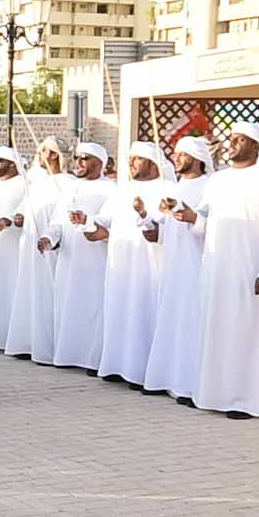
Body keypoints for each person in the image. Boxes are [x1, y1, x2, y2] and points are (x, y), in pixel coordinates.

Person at [192, 124, 259, 418]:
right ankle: (213, 394)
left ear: (256, 146)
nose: (231, 144)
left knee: (246, 333)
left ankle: (247, 400)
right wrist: (185, 213)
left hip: (249, 270)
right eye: (231, 139)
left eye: (239, 140)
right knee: (217, 328)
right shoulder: (217, 180)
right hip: (217, 269)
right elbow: (202, 221)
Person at [93, 143, 172, 388]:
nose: (131, 163)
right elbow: (102, 223)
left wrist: (145, 216)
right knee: (119, 312)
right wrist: (84, 223)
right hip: (121, 265)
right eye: (130, 159)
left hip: (150, 266)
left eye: (137, 159)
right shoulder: (122, 190)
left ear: (152, 162)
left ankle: (142, 371)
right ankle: (116, 366)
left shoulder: (168, 189)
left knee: (144, 313)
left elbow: (163, 229)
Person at [140, 137, 214, 400]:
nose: (177, 158)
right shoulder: (176, 186)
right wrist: (149, 222)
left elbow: (208, 223)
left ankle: (189, 384)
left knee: (190, 322)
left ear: (198, 159)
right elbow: (164, 228)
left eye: (183, 155)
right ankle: (166, 378)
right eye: (177, 154)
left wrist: (190, 215)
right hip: (172, 266)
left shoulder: (210, 186)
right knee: (170, 319)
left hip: (196, 266)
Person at [39, 142, 114, 372]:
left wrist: (87, 221)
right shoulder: (70, 188)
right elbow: (57, 222)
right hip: (69, 261)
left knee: (94, 309)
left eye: (85, 158)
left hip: (96, 261)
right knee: (68, 305)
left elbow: (107, 224)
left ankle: (93, 360)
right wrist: (49, 239)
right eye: (78, 157)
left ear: (100, 163)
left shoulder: (111, 189)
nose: (79, 162)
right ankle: (67, 355)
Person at [5, 138, 68, 364]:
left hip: (52, 249)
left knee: (48, 293)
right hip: (29, 246)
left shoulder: (67, 183)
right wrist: (18, 217)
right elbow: (22, 210)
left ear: (53, 155)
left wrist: (50, 237)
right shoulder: (36, 184)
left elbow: (62, 217)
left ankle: (49, 347)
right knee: (29, 290)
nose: (39, 155)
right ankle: (28, 342)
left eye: (43, 151)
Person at [0, 148, 27, 350]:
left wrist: (8, 220)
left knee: (13, 290)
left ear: (12, 163)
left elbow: (23, 213)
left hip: (15, 249)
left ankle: (15, 339)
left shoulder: (24, 185)